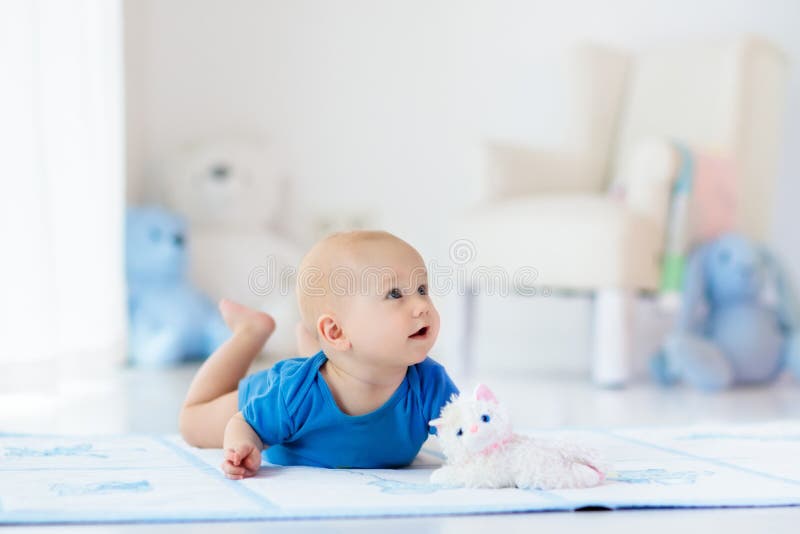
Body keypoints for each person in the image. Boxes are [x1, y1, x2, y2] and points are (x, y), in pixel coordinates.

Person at [178, 230, 459, 479]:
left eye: (422, 289)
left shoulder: (430, 384)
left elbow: (464, 430)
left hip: (334, 362)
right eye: (395, 294)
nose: (422, 305)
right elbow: (243, 422)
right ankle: (250, 332)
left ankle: (312, 345)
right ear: (336, 331)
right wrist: (243, 445)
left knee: (344, 363)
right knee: (192, 423)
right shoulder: (293, 394)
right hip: (272, 394)